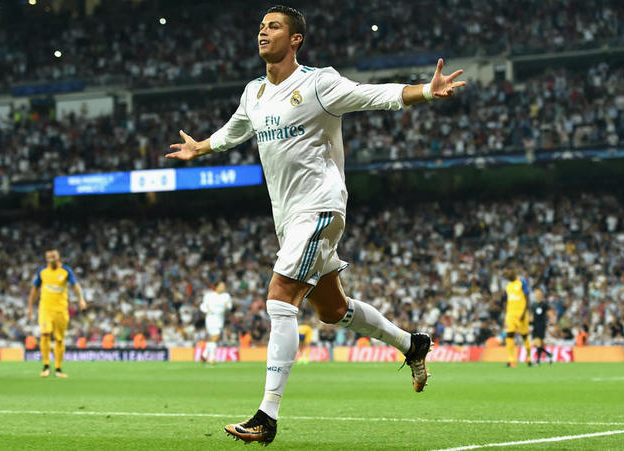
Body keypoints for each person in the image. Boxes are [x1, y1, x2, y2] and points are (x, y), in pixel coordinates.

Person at [166, 5, 464, 445]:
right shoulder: (254, 93)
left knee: (280, 296)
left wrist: (424, 90)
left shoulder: (319, 83)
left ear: (295, 39)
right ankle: (411, 343)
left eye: (273, 26)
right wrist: (203, 148)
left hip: (321, 207)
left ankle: (266, 417)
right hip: (288, 220)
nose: (263, 32)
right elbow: (235, 130)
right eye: (261, 26)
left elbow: (371, 95)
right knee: (332, 311)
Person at [26, 249, 87, 378]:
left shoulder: (65, 271)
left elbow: (75, 285)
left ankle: (58, 368)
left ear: (58, 257)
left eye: (53, 256)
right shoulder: (42, 271)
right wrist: (30, 307)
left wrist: (81, 298)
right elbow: (34, 289)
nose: (51, 258)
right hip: (45, 309)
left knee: (59, 339)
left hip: (61, 310)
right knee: (45, 333)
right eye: (48, 257)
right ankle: (46, 365)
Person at [503, 267, 532, 368]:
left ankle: (529, 359)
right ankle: (511, 360)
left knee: (524, 336)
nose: (505, 275)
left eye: (507, 272)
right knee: (509, 335)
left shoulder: (522, 282)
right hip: (511, 314)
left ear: (513, 271)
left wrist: (524, 312)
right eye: (505, 274)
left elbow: (527, 297)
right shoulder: (508, 286)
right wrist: (506, 314)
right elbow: (509, 301)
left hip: (521, 313)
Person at [200, 281, 233, 364]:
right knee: (216, 336)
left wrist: (227, 306)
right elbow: (203, 306)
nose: (223, 287)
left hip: (220, 319)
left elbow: (230, 306)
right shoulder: (209, 296)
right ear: (216, 287)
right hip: (211, 318)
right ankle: (212, 357)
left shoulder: (226, 296)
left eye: (224, 286)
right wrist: (207, 310)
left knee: (212, 338)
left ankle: (204, 354)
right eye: (221, 286)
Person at [531, 289, 553, 364]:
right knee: (536, 343)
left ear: (542, 295)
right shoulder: (533, 305)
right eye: (536, 293)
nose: (538, 295)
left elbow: (550, 314)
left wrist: (551, 323)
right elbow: (532, 316)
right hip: (535, 325)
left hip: (541, 325)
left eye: (539, 293)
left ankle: (538, 360)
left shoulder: (544, 304)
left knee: (539, 342)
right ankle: (549, 354)